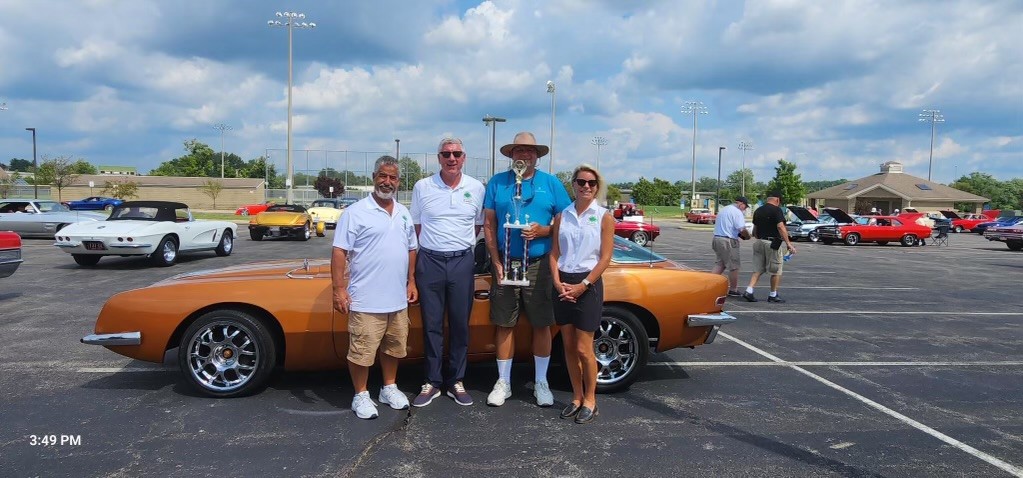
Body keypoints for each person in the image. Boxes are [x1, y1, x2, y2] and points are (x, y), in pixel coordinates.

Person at [482, 132, 572, 407]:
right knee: (504, 323)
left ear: (537, 155)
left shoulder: (551, 183)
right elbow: (489, 225)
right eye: (519, 150)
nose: (524, 155)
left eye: (529, 151)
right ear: (511, 155)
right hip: (507, 263)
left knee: (542, 324)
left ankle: (541, 382)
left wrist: (545, 230)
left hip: (539, 264)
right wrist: (496, 260)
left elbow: (568, 222)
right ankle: (504, 382)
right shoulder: (498, 183)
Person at [331, 155, 419, 420]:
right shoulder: (355, 213)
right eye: (383, 176)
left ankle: (388, 387)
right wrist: (338, 288)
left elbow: (412, 248)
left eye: (392, 177)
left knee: (394, 347)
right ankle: (361, 394)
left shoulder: (403, 213)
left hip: (397, 300)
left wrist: (411, 280)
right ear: (374, 178)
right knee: (362, 350)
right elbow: (339, 252)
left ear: (398, 182)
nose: (387, 182)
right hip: (366, 299)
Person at [409, 138, 485, 407]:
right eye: (446, 154)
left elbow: (477, 225)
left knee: (460, 324)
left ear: (464, 157)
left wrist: (457, 248)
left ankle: (456, 381)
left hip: (461, 262)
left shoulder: (476, 188)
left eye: (456, 153)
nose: (451, 158)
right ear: (438, 157)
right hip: (429, 261)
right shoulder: (423, 187)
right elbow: (416, 225)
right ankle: (432, 381)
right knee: (431, 325)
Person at [549, 165, 614, 424]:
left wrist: (583, 285)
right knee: (567, 346)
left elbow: (606, 258)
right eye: (581, 182)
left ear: (597, 187)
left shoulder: (604, 216)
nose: (586, 186)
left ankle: (590, 399)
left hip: (588, 285)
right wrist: (556, 282)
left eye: (591, 182)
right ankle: (576, 397)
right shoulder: (562, 216)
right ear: (573, 185)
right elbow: (554, 253)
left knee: (584, 349)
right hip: (563, 284)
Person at [742, 192, 797, 303]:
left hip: (759, 242)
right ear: (777, 200)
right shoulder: (777, 210)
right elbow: (781, 227)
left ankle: (749, 290)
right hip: (772, 243)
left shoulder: (758, 211)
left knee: (758, 268)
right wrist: (788, 243)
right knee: (776, 270)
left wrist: (759, 236)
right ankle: (773, 294)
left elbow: (755, 230)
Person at [711, 196, 751, 296]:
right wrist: (747, 236)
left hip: (717, 238)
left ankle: (708, 284)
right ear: (741, 204)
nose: (745, 209)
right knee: (734, 266)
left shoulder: (724, 209)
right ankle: (733, 289)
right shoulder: (737, 212)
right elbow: (741, 229)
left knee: (720, 264)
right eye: (745, 207)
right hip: (728, 240)